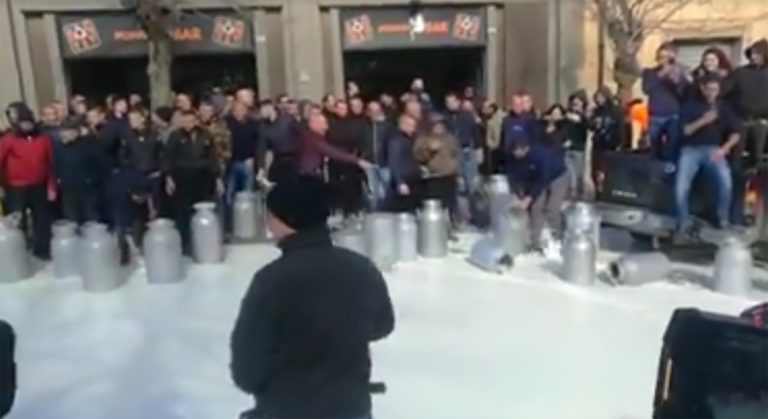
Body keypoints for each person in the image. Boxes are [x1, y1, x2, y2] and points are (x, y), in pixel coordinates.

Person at [230, 176, 394, 419]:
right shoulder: (361, 268)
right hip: (351, 407)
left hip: (288, 409)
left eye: (270, 214)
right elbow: (383, 325)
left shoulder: (273, 281)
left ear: (285, 220)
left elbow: (246, 368)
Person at [676, 75, 741, 238]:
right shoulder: (691, 106)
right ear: (702, 88)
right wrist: (704, 120)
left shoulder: (724, 107)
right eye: (709, 89)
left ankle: (722, 218)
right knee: (681, 187)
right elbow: (685, 131)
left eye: (715, 90)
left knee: (725, 183)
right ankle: (683, 223)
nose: (712, 93)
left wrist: (724, 149)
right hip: (691, 150)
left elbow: (736, 133)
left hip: (714, 149)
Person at [0, 105, 56, 259]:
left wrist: (51, 186)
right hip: (16, 187)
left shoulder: (43, 139)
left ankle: (43, 250)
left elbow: (51, 163)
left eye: (28, 123)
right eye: (23, 123)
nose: (26, 126)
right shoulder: (8, 139)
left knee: (41, 218)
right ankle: (19, 250)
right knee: (18, 220)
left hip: (38, 185)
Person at [163, 110, 222, 254]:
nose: (188, 124)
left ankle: (204, 242)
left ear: (196, 121)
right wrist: (169, 178)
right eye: (185, 121)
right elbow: (168, 158)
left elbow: (213, 157)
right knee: (183, 212)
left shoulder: (205, 135)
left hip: (203, 176)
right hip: (182, 177)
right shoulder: (175, 136)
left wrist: (217, 177)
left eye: (191, 120)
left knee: (203, 210)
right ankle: (185, 244)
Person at [504, 135, 568, 252]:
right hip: (535, 179)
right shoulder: (515, 158)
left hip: (557, 176)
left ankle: (556, 239)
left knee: (552, 209)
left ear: (525, 148)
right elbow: (513, 176)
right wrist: (516, 195)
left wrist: (527, 199)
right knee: (535, 208)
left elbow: (542, 181)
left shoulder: (540, 156)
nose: (515, 154)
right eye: (514, 151)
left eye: (517, 151)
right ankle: (535, 241)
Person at [642, 43, 689, 162]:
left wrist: (676, 81)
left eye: (667, 57)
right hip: (655, 114)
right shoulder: (649, 72)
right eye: (661, 57)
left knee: (673, 146)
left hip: (673, 114)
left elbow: (683, 93)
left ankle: (670, 171)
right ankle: (653, 173)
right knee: (654, 147)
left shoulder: (678, 73)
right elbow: (647, 89)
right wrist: (662, 73)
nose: (663, 60)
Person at [56, 119, 103, 224]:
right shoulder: (60, 148)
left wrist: (91, 180)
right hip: (68, 191)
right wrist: (60, 179)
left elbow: (101, 166)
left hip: (87, 190)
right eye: (62, 131)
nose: (63, 135)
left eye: (67, 132)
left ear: (76, 132)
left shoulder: (89, 146)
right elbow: (56, 165)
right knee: (71, 219)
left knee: (91, 218)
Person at [414, 117, 460, 217]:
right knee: (435, 204)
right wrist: (429, 150)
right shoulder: (423, 139)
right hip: (433, 178)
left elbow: (456, 154)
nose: (439, 127)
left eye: (441, 125)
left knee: (449, 203)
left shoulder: (450, 139)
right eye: (436, 125)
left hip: (449, 176)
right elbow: (418, 157)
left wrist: (455, 168)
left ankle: (450, 222)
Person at [589, 87, 623, 191]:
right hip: (598, 143)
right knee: (595, 169)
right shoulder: (596, 111)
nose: (599, 99)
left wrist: (619, 143)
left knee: (607, 170)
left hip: (610, 144)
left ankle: (606, 190)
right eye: (597, 97)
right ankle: (597, 190)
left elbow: (620, 128)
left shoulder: (615, 111)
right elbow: (591, 126)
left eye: (601, 97)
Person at [256, 100, 296, 185]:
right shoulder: (263, 127)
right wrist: (261, 168)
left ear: (269, 108)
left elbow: (300, 135)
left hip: (293, 158)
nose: (261, 113)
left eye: (262, 110)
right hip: (278, 159)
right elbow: (261, 148)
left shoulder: (287, 120)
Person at [388, 114, 421, 212]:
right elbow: (394, 162)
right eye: (410, 125)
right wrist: (400, 182)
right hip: (404, 179)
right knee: (403, 207)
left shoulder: (413, 139)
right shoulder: (396, 141)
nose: (413, 127)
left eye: (414, 125)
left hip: (414, 178)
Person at [362, 101, 392, 210]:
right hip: (369, 163)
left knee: (385, 192)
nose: (374, 113)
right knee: (372, 193)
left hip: (385, 163)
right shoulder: (364, 126)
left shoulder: (388, 126)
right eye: (371, 110)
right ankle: (375, 214)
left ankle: (386, 213)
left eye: (376, 110)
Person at [564, 93, 590, 198]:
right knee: (570, 175)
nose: (575, 106)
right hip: (567, 148)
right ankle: (570, 194)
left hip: (579, 149)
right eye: (574, 103)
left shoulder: (584, 117)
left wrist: (581, 118)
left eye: (578, 103)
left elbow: (589, 127)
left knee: (579, 174)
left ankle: (579, 196)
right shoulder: (567, 115)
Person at [481, 100, 505, 174]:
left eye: (485, 108)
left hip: (502, 150)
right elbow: (489, 136)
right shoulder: (489, 120)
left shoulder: (501, 118)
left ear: (491, 108)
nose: (483, 110)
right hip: (496, 151)